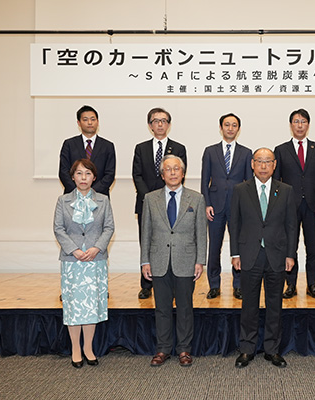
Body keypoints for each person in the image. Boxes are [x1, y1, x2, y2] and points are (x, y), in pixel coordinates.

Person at [230, 148, 297, 368]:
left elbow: (291, 225)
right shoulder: (240, 190)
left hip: (277, 255)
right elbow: (234, 223)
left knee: (274, 305)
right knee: (249, 305)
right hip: (249, 255)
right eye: (259, 161)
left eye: (268, 161)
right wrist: (235, 253)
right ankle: (247, 348)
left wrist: (290, 254)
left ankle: (272, 349)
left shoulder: (285, 190)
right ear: (252, 164)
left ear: (274, 165)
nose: (264, 166)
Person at [140, 155, 207, 367]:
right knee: (162, 308)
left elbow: (201, 233)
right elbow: (146, 232)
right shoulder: (150, 199)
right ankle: (163, 349)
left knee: (185, 308)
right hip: (158, 261)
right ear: (162, 175)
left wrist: (200, 261)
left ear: (183, 173)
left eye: (176, 168)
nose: (173, 172)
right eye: (168, 169)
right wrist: (145, 261)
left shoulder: (196, 199)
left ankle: (184, 349)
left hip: (186, 261)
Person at [53, 159, 115, 368]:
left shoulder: (103, 200)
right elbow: (58, 229)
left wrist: (96, 248)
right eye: (79, 173)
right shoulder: (63, 201)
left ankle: (88, 348)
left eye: (87, 174)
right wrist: (75, 250)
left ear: (94, 177)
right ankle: (75, 349)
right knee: (74, 306)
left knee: (91, 306)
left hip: (95, 260)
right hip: (72, 261)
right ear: (72, 177)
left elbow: (109, 227)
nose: (83, 178)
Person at [273, 109, 315, 299]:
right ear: (291, 125)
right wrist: (277, 204)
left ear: (308, 125)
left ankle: (312, 284)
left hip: (313, 205)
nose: (300, 125)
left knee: (313, 247)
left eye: (303, 121)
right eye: (296, 121)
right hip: (289, 205)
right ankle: (291, 284)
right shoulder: (281, 150)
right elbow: (276, 181)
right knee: (290, 246)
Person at [133, 107, 187, 299]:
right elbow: (137, 175)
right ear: (150, 125)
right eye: (156, 121)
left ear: (169, 125)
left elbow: (179, 175)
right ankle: (146, 284)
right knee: (147, 242)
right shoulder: (141, 148)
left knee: (172, 243)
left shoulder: (179, 148)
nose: (160, 124)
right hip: (147, 203)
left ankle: (171, 281)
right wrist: (151, 199)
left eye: (164, 121)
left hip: (172, 203)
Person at [201, 113, 253, 300]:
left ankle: (238, 285)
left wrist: (247, 207)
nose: (230, 128)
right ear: (221, 127)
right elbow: (205, 180)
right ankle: (214, 285)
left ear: (238, 129)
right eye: (227, 125)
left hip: (238, 206)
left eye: (234, 125)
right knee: (214, 247)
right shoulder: (210, 151)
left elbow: (249, 183)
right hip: (215, 206)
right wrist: (207, 204)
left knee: (238, 247)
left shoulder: (246, 153)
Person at [59, 105, 116, 197]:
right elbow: (63, 172)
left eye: (93, 119)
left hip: (99, 196)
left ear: (98, 122)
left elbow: (110, 174)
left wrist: (91, 192)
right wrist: (78, 191)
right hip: (73, 196)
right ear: (79, 123)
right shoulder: (69, 144)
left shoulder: (108, 146)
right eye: (85, 120)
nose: (90, 122)